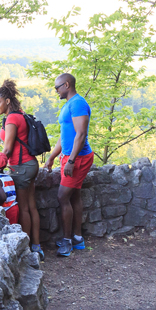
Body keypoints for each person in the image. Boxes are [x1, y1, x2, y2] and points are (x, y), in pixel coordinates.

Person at [0, 79, 44, 260]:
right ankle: (37, 246)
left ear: (7, 101)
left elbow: (7, 149)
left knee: (23, 208)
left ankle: (28, 250)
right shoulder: (20, 114)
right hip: (30, 164)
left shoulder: (12, 118)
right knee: (32, 206)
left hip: (20, 167)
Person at [44, 73, 94, 257]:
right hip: (71, 156)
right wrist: (52, 157)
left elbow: (80, 135)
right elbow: (65, 135)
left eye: (57, 87)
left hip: (78, 157)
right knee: (74, 196)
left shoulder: (78, 103)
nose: (55, 91)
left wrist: (71, 161)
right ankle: (78, 239)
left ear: (66, 85)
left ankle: (67, 242)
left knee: (62, 197)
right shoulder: (69, 105)